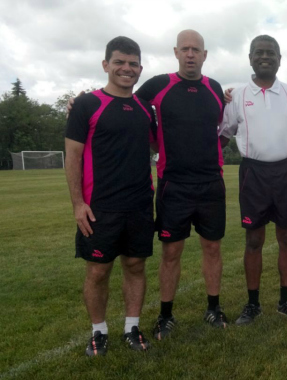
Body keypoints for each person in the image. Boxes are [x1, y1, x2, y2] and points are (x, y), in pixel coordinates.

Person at [65, 36, 155, 356]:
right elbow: (72, 156)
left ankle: (132, 327)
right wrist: (78, 204)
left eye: (132, 64)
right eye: (119, 62)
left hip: (141, 203)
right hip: (100, 206)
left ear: (140, 69)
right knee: (98, 270)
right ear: (106, 65)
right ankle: (98, 332)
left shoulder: (146, 109)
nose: (126, 68)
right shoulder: (87, 104)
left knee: (135, 265)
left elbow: (156, 146)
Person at [135, 30, 229, 336]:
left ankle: (213, 308)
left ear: (205, 55)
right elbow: (128, 107)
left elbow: (222, 125)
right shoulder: (158, 85)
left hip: (211, 182)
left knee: (212, 247)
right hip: (173, 184)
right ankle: (165, 315)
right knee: (171, 252)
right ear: (176, 52)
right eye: (185, 49)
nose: (190, 54)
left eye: (196, 50)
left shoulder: (214, 88)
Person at [220, 35, 287, 325]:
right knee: (254, 240)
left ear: (280, 59)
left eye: (271, 53)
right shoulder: (236, 97)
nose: (265, 57)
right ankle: (253, 304)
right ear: (249, 58)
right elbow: (223, 134)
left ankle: (286, 301)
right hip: (253, 174)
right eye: (259, 52)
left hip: (286, 171)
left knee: (286, 237)